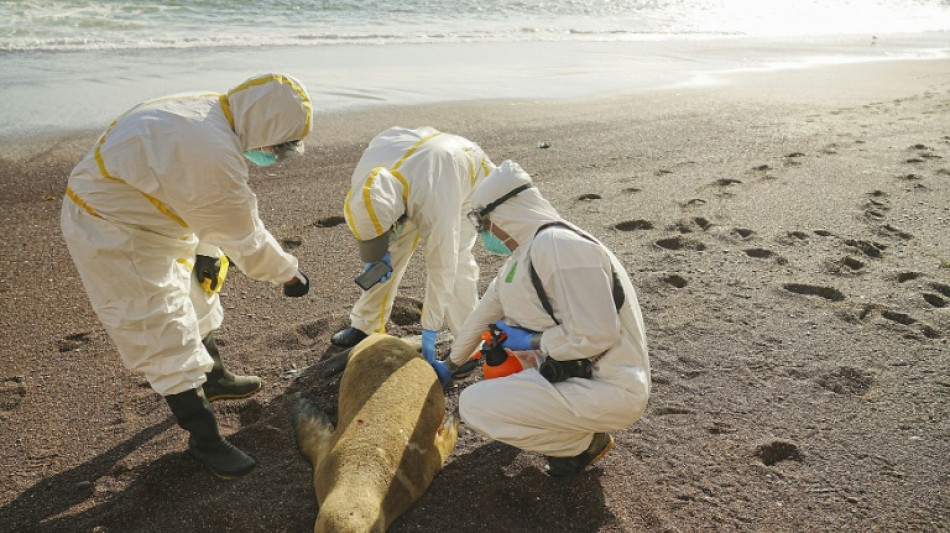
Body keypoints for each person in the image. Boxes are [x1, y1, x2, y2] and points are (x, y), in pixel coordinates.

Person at [61, 73, 313, 479]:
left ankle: (214, 377)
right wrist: (288, 275)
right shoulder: (210, 152)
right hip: (114, 230)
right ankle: (205, 440)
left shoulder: (216, 112)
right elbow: (244, 236)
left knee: (200, 294)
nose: (273, 154)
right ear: (265, 126)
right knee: (162, 327)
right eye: (277, 146)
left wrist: (208, 250)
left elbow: (199, 199)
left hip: (159, 213)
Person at [442, 160, 651, 477]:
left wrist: (532, 340)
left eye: (484, 223)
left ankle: (582, 444)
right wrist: (449, 364)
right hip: (573, 374)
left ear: (507, 211)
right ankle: (571, 428)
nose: (486, 233)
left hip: (612, 387)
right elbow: (482, 316)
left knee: (474, 405)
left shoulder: (562, 247)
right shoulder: (522, 257)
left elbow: (597, 334)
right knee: (498, 374)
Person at [333, 126, 495, 384]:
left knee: (457, 262)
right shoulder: (366, 181)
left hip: (463, 178)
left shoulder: (435, 201)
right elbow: (375, 216)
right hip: (416, 172)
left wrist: (430, 327)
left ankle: (468, 346)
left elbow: (443, 266)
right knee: (392, 249)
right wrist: (377, 254)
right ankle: (365, 324)